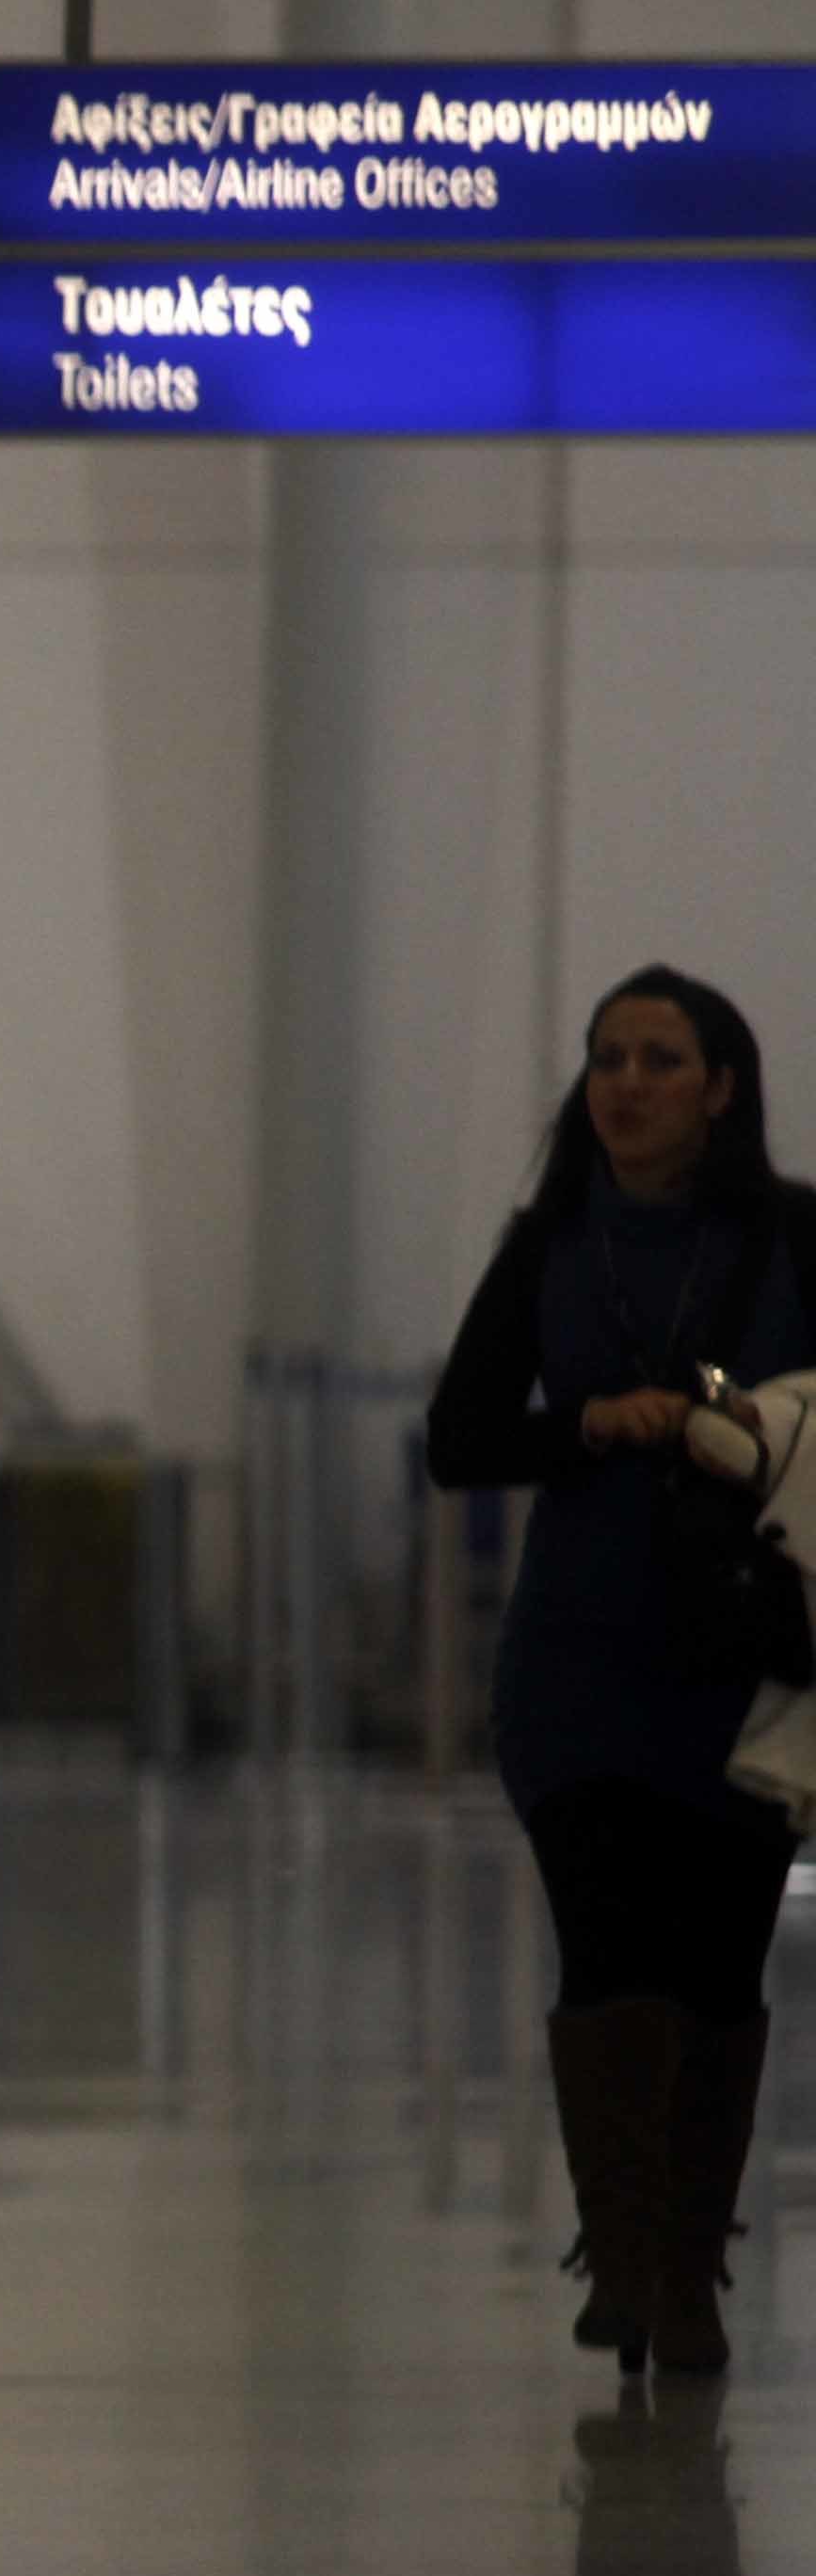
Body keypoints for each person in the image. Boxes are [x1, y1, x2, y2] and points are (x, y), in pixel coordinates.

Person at [425, 966, 816, 2379]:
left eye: (661, 1059)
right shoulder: (548, 1247)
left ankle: (690, 2266)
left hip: (752, 1666)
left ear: (721, 1087)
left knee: (719, 1962)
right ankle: (629, 2257)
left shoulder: (791, 1236)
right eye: (608, 1058)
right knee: (606, 1945)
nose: (629, 1084)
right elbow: (458, 1437)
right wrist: (586, 1424)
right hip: (579, 1664)